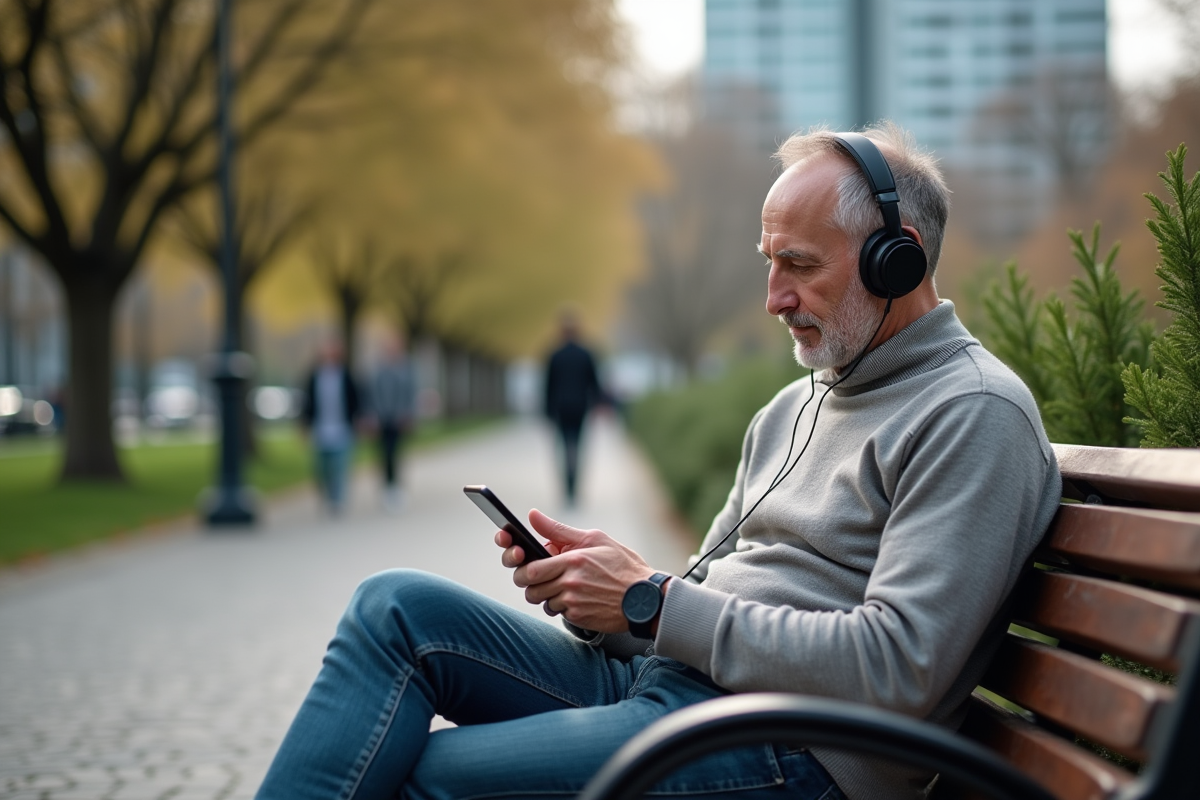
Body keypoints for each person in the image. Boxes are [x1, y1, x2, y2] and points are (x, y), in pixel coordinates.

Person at [256, 123, 1061, 800]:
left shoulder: (971, 412)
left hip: (792, 749)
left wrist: (651, 602)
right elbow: (695, 610)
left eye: (801, 265)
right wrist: (607, 597)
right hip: (676, 696)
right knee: (394, 607)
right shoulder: (797, 404)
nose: (774, 297)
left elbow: (899, 668)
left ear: (898, 259)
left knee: (424, 777)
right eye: (769, 262)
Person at [543, 311, 604, 506]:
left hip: (561, 408)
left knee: (564, 447)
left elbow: (548, 385)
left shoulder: (555, 354)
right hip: (580, 407)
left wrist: (547, 411)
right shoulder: (585, 354)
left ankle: (568, 487)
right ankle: (574, 487)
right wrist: (598, 404)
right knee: (576, 447)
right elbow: (594, 382)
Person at [300, 340, 361, 515]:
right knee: (322, 468)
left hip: (342, 428)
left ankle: (337, 500)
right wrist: (305, 424)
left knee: (340, 467)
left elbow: (355, 400)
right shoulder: (314, 376)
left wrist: (357, 420)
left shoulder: (346, 375)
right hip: (320, 429)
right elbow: (308, 402)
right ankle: (326, 496)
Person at [371, 335, 418, 510]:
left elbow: (411, 392)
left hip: (399, 418)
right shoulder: (378, 367)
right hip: (382, 418)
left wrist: (409, 414)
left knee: (396, 452)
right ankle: (387, 486)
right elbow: (372, 392)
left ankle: (396, 486)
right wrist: (373, 415)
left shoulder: (406, 367)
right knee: (384, 454)